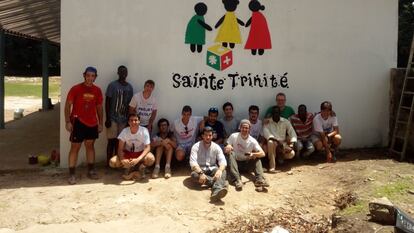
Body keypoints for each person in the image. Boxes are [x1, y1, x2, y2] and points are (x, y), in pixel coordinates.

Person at [64, 66, 103, 185]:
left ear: (95, 77)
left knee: (90, 146)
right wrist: (67, 121)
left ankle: (91, 171)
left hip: (92, 123)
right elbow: (67, 105)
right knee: (75, 147)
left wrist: (100, 122)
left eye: (92, 76)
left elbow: (99, 107)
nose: (90, 78)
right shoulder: (75, 89)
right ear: (84, 75)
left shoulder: (97, 90)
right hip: (78, 122)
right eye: (88, 75)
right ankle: (71, 174)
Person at [224, 119, 269, 191]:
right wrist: (228, 147)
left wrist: (253, 154)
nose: (244, 129)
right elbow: (227, 147)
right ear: (240, 128)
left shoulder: (252, 140)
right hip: (235, 163)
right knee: (231, 153)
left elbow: (263, 153)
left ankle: (260, 180)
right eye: (243, 127)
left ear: (249, 129)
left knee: (257, 157)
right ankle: (237, 180)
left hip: (246, 163)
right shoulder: (234, 136)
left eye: (246, 128)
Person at [109, 113, 155, 180]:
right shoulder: (125, 131)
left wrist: (138, 159)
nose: (133, 122)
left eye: (136, 120)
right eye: (131, 120)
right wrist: (122, 159)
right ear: (128, 122)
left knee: (151, 159)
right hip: (128, 154)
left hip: (140, 154)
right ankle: (130, 167)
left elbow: (147, 147)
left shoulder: (144, 130)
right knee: (112, 162)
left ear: (139, 121)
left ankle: (139, 166)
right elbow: (120, 148)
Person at [104, 65, 133, 166]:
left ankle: (117, 162)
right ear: (118, 73)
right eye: (121, 72)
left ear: (127, 73)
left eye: (125, 72)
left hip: (123, 119)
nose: (123, 74)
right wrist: (107, 118)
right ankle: (108, 163)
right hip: (112, 118)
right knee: (111, 141)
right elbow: (107, 101)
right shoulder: (112, 85)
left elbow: (130, 104)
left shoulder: (129, 87)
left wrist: (129, 120)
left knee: (120, 142)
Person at [190, 126, 228, 202]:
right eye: (206, 135)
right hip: (200, 169)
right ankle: (220, 183)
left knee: (223, 171)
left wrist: (220, 170)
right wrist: (201, 173)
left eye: (210, 135)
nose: (208, 137)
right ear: (202, 136)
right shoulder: (196, 146)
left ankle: (216, 191)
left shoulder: (216, 147)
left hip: (213, 168)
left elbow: (223, 161)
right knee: (194, 175)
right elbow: (193, 163)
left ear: (212, 136)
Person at [263, 106, 297, 173]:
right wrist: (278, 141)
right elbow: (267, 134)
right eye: (274, 112)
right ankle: (272, 167)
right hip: (274, 144)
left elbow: (292, 132)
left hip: (283, 145)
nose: (276, 114)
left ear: (280, 113)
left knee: (291, 154)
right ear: (272, 113)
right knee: (270, 142)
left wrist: (291, 145)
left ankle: (279, 158)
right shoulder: (267, 122)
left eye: (277, 112)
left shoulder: (285, 121)